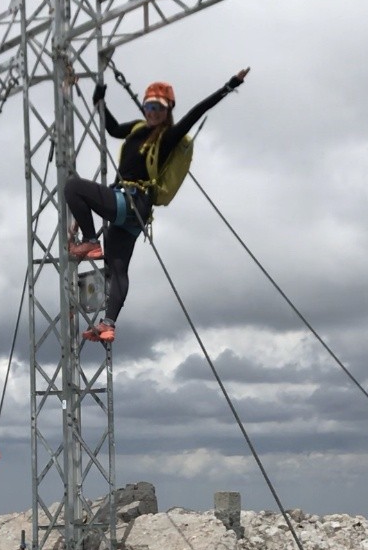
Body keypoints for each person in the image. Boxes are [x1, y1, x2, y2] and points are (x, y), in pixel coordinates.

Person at [64, 68, 250, 343]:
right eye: (149, 106)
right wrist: (99, 102)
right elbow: (113, 128)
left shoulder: (167, 137)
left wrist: (229, 86)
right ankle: (108, 324)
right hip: (132, 212)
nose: (152, 112)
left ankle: (91, 241)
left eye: (158, 108)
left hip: (131, 200)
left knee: (74, 187)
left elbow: (197, 112)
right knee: (117, 269)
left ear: (168, 111)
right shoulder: (138, 129)